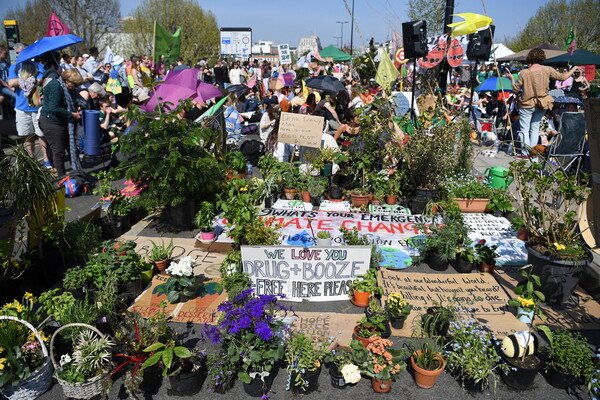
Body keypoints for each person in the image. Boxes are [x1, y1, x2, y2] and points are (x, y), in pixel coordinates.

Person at [506, 48, 578, 157]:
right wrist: (574, 68)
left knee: (525, 129)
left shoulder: (524, 73)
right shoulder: (547, 69)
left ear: (530, 57)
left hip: (526, 104)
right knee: (535, 128)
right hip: (542, 103)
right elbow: (563, 77)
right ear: (542, 57)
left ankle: (526, 153)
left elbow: (516, 89)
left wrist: (511, 78)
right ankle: (533, 153)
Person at [7, 45, 50, 165]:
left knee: (41, 135)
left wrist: (21, 81)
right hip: (21, 107)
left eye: (21, 52)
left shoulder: (39, 66)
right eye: (17, 53)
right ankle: (32, 161)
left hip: (37, 106)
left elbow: (41, 81)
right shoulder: (14, 67)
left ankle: (47, 160)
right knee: (27, 136)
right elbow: (11, 82)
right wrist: (31, 80)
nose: (18, 55)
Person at [38, 67, 84, 177]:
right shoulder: (55, 86)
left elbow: (65, 103)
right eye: (74, 84)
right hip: (51, 121)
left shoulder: (65, 87)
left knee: (71, 148)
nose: (75, 87)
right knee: (58, 152)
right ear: (67, 80)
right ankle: (62, 179)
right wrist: (71, 114)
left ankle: (76, 174)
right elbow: (53, 108)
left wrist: (75, 107)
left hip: (61, 121)